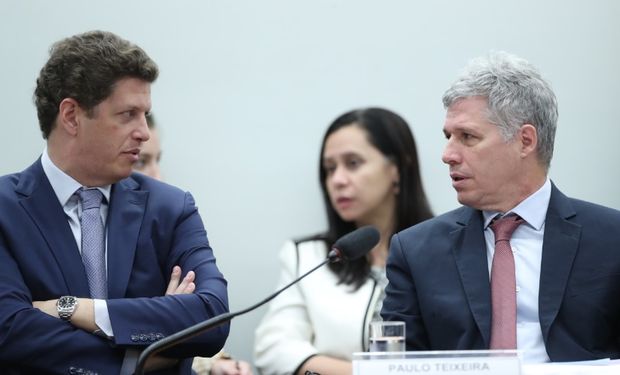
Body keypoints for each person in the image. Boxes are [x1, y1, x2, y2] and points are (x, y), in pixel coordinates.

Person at [0, 30, 229, 374]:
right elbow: (12, 332)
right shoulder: (5, 209)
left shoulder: (171, 208)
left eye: (145, 114)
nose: (144, 132)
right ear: (72, 116)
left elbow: (212, 317)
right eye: (128, 115)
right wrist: (146, 355)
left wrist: (73, 309)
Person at [381, 51, 620, 363]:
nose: (448, 154)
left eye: (467, 137)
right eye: (448, 136)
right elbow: (394, 364)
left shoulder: (611, 239)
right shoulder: (415, 251)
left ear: (525, 141)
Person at [254, 107, 433, 375]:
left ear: (397, 168)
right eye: (329, 169)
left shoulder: (448, 250)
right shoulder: (308, 256)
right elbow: (274, 349)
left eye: (353, 163)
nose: (337, 180)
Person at [135, 114, 253, 375]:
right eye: (142, 162)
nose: (157, 175)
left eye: (157, 160)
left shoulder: (169, 226)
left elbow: (203, 320)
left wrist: (216, 363)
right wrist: (166, 315)